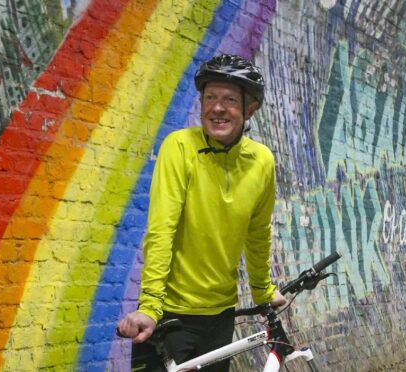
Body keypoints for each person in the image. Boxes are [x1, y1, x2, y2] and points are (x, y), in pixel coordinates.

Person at [118, 54, 286, 371]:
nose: (217, 108)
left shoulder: (262, 161)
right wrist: (150, 307)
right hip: (172, 317)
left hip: (221, 317)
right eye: (210, 97)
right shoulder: (179, 147)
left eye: (229, 100)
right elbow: (161, 230)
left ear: (250, 108)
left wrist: (263, 289)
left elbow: (258, 233)